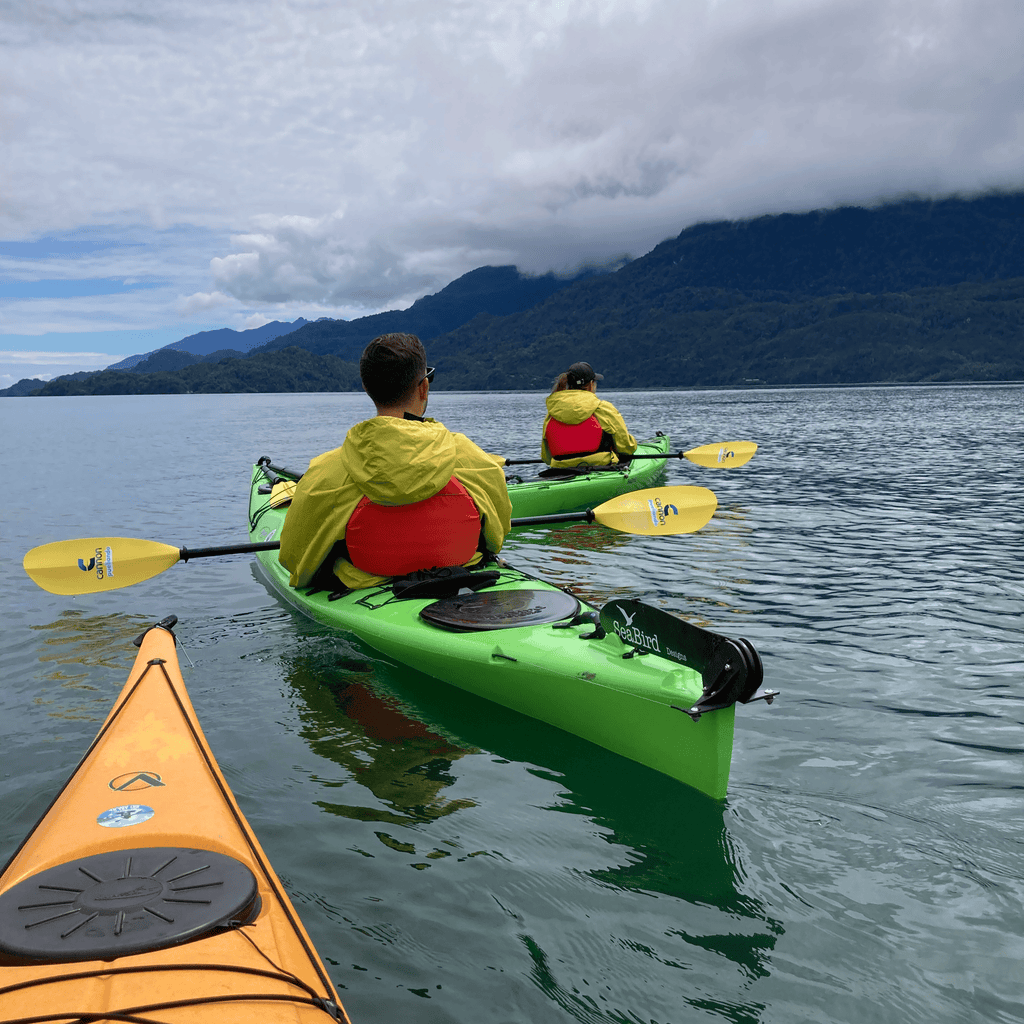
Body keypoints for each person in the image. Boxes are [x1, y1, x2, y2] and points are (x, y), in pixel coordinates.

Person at [279, 333, 512, 591]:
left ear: (367, 389)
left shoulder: (325, 473)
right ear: (423, 387)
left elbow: (294, 559)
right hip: (462, 571)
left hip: (363, 582)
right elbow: (497, 535)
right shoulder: (472, 458)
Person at [541, 361, 638, 469]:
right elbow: (626, 447)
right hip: (601, 466)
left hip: (560, 468)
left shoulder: (552, 413)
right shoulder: (602, 408)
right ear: (591, 384)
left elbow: (546, 457)